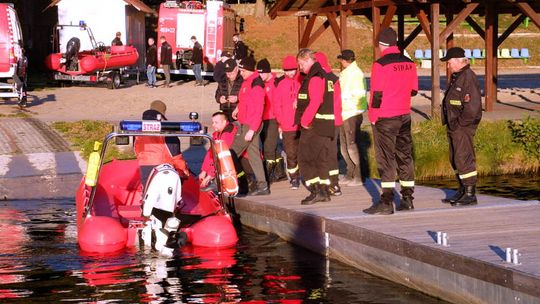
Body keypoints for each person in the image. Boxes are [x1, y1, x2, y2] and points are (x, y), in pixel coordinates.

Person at [363, 27, 418, 215]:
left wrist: (372, 116)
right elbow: (413, 90)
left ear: (381, 45)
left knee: (386, 159)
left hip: (386, 117)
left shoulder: (380, 64)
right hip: (404, 115)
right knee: (405, 156)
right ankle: (408, 199)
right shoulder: (409, 63)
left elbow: (376, 95)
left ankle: (386, 202)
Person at [440, 47, 483, 206]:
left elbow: (473, 107)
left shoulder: (468, 77)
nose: (448, 65)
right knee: (455, 157)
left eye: (450, 62)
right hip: (454, 124)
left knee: (464, 157)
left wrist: (460, 124)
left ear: (459, 61)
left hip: (462, 126)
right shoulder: (458, 76)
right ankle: (463, 189)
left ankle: (470, 194)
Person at [296, 48, 336, 205]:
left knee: (305, 158)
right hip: (323, 124)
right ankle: (324, 191)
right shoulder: (321, 74)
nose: (300, 68)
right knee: (319, 159)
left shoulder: (316, 76)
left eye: (301, 64)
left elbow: (316, 101)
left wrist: (305, 121)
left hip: (316, 125)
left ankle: (316, 190)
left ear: (306, 60)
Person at [230, 57, 269, 195]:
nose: (241, 73)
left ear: (250, 70)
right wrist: (238, 109)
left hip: (251, 124)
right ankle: (262, 185)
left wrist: (252, 130)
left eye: (243, 71)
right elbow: (245, 100)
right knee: (253, 155)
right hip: (246, 122)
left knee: (231, 153)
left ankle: (232, 181)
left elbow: (259, 109)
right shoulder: (247, 81)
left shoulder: (257, 84)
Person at [134, 100, 189, 186]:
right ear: (162, 115)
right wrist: (184, 172)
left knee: (148, 193)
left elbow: (137, 151)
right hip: (163, 170)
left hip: (144, 169)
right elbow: (176, 157)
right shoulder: (166, 132)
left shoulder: (139, 131)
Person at [337, 49, 368, 187]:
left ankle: (359, 176)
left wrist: (346, 105)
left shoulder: (356, 74)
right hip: (344, 113)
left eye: (341, 59)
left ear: (345, 60)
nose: (340, 62)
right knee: (344, 146)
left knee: (351, 146)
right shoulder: (346, 73)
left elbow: (358, 95)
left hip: (352, 113)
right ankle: (350, 173)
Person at [315, 51, 343, 197]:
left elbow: (318, 101)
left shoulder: (320, 78)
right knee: (331, 153)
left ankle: (326, 184)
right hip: (336, 120)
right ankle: (335, 183)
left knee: (322, 153)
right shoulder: (333, 77)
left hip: (324, 121)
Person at [257, 58, 286, 184]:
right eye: (259, 73)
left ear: (268, 72)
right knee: (271, 147)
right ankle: (280, 173)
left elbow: (280, 103)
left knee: (269, 148)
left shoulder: (275, 84)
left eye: (262, 73)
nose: (260, 75)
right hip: (263, 119)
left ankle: (268, 174)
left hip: (273, 118)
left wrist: (280, 122)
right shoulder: (262, 84)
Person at [274, 55, 301, 189]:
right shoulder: (281, 85)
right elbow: (277, 105)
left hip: (301, 125)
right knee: (290, 154)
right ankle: (294, 178)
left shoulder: (301, 82)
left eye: (292, 70)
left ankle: (306, 176)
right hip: (287, 125)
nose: (290, 73)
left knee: (302, 152)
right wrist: (281, 121)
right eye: (287, 70)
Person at [199, 112, 238, 188]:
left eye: (216, 122)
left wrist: (210, 176)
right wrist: (204, 171)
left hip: (236, 165)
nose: (213, 125)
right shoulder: (217, 134)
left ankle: (218, 183)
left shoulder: (227, 134)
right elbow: (211, 153)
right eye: (213, 122)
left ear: (224, 122)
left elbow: (221, 157)